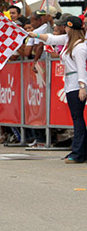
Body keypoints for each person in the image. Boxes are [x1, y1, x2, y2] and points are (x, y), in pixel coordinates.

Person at [29, 16, 87, 163]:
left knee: (78, 118)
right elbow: (51, 39)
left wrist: (82, 86)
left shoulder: (80, 47)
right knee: (77, 118)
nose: (64, 30)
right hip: (69, 83)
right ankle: (79, 150)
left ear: (71, 28)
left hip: (76, 84)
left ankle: (78, 152)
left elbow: (82, 68)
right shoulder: (68, 41)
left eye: (66, 27)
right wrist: (35, 35)